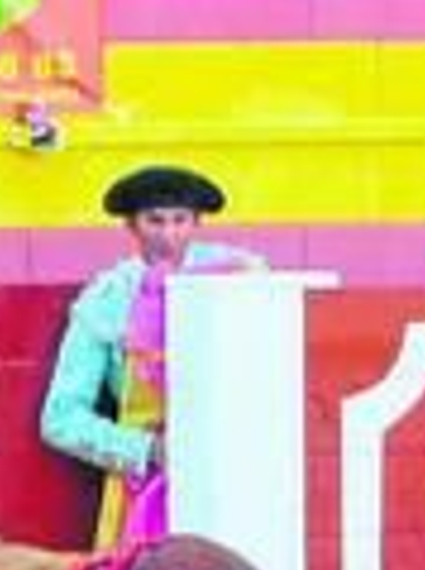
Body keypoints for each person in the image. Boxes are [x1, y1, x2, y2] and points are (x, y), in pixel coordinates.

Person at [39, 164, 265, 548]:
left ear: (197, 224)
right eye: (154, 221)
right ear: (131, 226)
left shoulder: (239, 280)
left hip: (233, 475)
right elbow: (59, 418)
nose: (169, 235)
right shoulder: (107, 301)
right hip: (145, 479)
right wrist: (146, 450)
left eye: (180, 221)